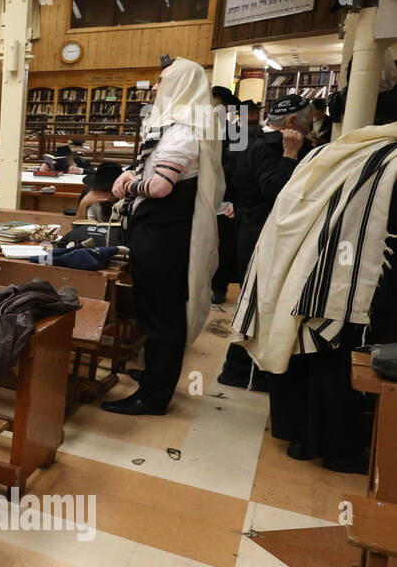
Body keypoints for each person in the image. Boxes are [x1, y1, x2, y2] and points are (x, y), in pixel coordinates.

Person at [233, 121, 397, 472]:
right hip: (352, 277)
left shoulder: (333, 151)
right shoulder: (391, 160)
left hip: (298, 263)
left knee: (302, 351)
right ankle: (340, 451)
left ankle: (300, 438)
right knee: (339, 365)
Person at [101, 57, 221, 416]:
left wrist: (128, 185)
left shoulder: (183, 131)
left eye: (163, 81)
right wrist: (131, 173)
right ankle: (154, 375)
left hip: (164, 237)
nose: (155, 88)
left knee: (162, 316)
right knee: (152, 310)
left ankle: (154, 396)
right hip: (156, 233)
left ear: (181, 86)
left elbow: (161, 186)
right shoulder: (177, 127)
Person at [216, 95, 314, 390]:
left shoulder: (250, 141)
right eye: (309, 122)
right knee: (263, 302)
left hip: (250, 230)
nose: (313, 128)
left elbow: (231, 181)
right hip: (264, 235)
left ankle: (241, 369)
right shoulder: (276, 148)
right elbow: (275, 191)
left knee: (256, 301)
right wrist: (290, 155)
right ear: (292, 122)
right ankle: (242, 369)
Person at [210, 87, 240, 304]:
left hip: (225, 199)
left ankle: (219, 288)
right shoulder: (200, 130)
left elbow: (241, 169)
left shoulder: (238, 132)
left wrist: (236, 200)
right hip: (201, 198)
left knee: (222, 247)